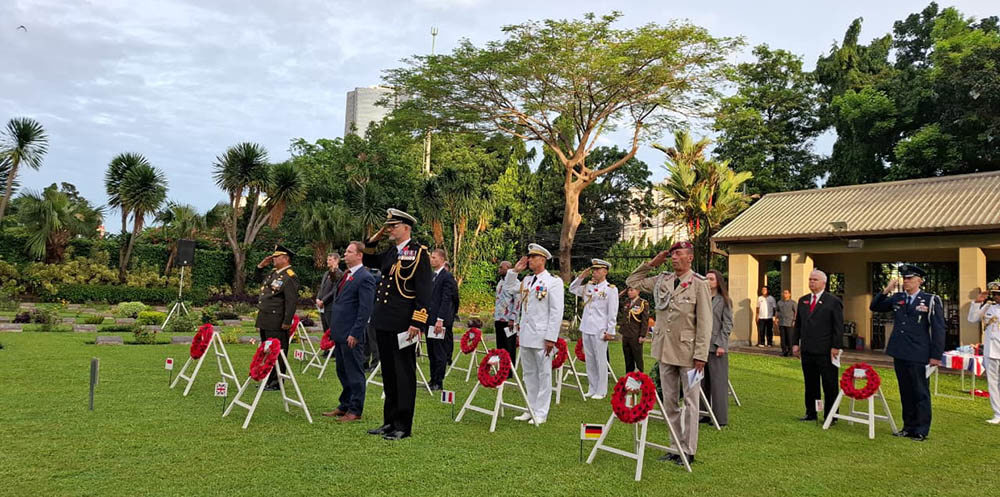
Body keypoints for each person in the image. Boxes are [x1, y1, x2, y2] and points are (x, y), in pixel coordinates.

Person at [626, 241, 711, 465]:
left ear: (690, 258)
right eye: (672, 255)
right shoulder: (662, 279)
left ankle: (689, 450)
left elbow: (705, 322)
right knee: (670, 401)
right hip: (665, 350)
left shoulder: (699, 284)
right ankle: (675, 447)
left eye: (679, 254)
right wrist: (651, 264)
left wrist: (701, 355)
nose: (674, 258)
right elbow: (632, 282)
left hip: (689, 353)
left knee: (691, 403)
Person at [361, 209, 433, 441]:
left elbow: (424, 291)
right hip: (384, 320)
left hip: (404, 323)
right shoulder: (391, 252)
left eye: (393, 226)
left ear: (406, 228)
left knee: (403, 374)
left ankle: (403, 425)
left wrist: (417, 321)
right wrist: (375, 237)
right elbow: (369, 258)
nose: (389, 229)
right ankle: (389, 421)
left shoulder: (418, 252)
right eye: (388, 226)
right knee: (389, 375)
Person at [870, 265, 945, 441]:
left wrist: (936, 356)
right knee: (905, 392)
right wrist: (886, 290)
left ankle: (921, 429)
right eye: (905, 279)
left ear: (920, 280)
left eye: (910, 278)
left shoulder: (930, 300)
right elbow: (875, 306)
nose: (906, 282)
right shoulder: (898, 298)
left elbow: (938, 329)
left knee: (920, 392)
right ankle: (908, 426)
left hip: (919, 352)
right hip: (900, 351)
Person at [502, 243, 564, 425]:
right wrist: (514, 271)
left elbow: (556, 311)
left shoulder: (553, 282)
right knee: (528, 373)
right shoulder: (527, 281)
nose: (529, 260)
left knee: (544, 374)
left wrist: (551, 337)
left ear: (543, 260)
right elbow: (508, 289)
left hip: (543, 335)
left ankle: (541, 412)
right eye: (529, 257)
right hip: (527, 333)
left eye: (533, 257)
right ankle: (530, 408)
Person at [321, 242, 375, 422]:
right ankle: (345, 404)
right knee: (342, 371)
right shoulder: (347, 275)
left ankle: (355, 409)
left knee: (354, 372)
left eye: (349, 252)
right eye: (345, 251)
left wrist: (355, 333)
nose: (345, 254)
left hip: (352, 334)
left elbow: (365, 309)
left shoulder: (365, 277)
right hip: (340, 332)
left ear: (360, 255)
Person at [791, 269, 843, 423]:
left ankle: (831, 414)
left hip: (826, 351)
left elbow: (838, 326)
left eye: (814, 279)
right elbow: (798, 325)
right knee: (811, 384)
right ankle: (812, 412)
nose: (811, 282)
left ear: (823, 283)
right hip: (808, 350)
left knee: (829, 384)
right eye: (810, 279)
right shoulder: (803, 300)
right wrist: (795, 343)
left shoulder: (833, 301)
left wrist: (836, 346)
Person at [569, 259, 618, 399]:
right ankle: (592, 387)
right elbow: (572, 289)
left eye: (598, 269)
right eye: (594, 269)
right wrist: (581, 277)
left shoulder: (610, 289)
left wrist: (610, 331)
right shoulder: (588, 286)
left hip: (600, 329)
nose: (595, 272)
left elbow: (612, 312)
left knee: (600, 360)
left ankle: (601, 390)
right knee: (590, 359)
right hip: (587, 327)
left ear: (605, 271)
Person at [254, 244, 300, 391]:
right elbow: (257, 280)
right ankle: (268, 378)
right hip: (265, 318)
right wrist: (260, 266)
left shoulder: (290, 276)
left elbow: (291, 301)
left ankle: (276, 382)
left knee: (278, 351)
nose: (273, 259)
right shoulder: (274, 273)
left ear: (285, 258)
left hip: (277, 320)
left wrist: (287, 321)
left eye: (276, 256)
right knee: (267, 350)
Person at [701, 269, 732, 427]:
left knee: (718, 382)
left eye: (711, 279)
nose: (708, 281)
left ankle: (720, 417)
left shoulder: (724, 300)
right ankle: (704, 413)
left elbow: (727, 325)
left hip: (716, 346)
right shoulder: (702, 298)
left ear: (718, 281)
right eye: (706, 279)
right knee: (702, 382)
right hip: (701, 346)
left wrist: (721, 344)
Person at [427, 248, 459, 391]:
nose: (431, 260)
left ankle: (438, 381)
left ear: (441, 259)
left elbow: (446, 300)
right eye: (431, 257)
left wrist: (440, 319)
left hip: (439, 320)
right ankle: (432, 378)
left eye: (434, 257)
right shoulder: (431, 276)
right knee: (431, 351)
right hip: (429, 318)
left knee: (439, 352)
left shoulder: (447, 277)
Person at [969, 282, 1000, 424]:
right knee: (992, 383)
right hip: (991, 351)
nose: (997, 297)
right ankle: (998, 414)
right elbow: (972, 319)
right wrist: (978, 302)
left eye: (998, 294)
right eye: (995, 294)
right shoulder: (988, 307)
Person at [493, 260, 519, 365]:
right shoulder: (500, 282)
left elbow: (517, 303)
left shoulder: (516, 283)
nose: (499, 269)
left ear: (508, 269)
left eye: (501, 267)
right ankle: (501, 368)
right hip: (499, 318)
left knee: (509, 346)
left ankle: (508, 370)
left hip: (509, 320)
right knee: (500, 345)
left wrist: (513, 319)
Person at [618, 287, 649, 373]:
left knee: (637, 358)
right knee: (628, 359)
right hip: (626, 334)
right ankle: (628, 379)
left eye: (632, 290)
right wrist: (621, 293)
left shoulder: (643, 303)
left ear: (638, 291)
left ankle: (640, 379)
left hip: (635, 335)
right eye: (628, 290)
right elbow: (615, 302)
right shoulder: (627, 302)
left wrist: (642, 335)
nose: (629, 292)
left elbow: (644, 320)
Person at [315, 252, 343, 333]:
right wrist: (317, 298)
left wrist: (323, 301)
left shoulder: (340, 274)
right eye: (327, 259)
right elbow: (322, 287)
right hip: (322, 307)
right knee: (325, 331)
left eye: (330, 260)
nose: (327, 261)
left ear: (336, 260)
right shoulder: (326, 273)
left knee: (332, 331)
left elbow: (335, 290)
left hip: (331, 307)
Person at [363, 269, 382, 373]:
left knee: (373, 341)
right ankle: (364, 361)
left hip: (374, 313)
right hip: (367, 312)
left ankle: (375, 363)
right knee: (366, 340)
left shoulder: (376, 276)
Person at [776, 290, 796, 357]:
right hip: (781, 322)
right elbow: (777, 311)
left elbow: (796, 312)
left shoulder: (793, 303)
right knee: (783, 338)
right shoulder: (779, 302)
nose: (785, 294)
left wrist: (794, 320)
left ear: (789, 294)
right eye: (783, 293)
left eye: (786, 293)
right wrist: (776, 318)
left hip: (789, 323)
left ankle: (791, 352)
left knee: (790, 338)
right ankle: (784, 351)